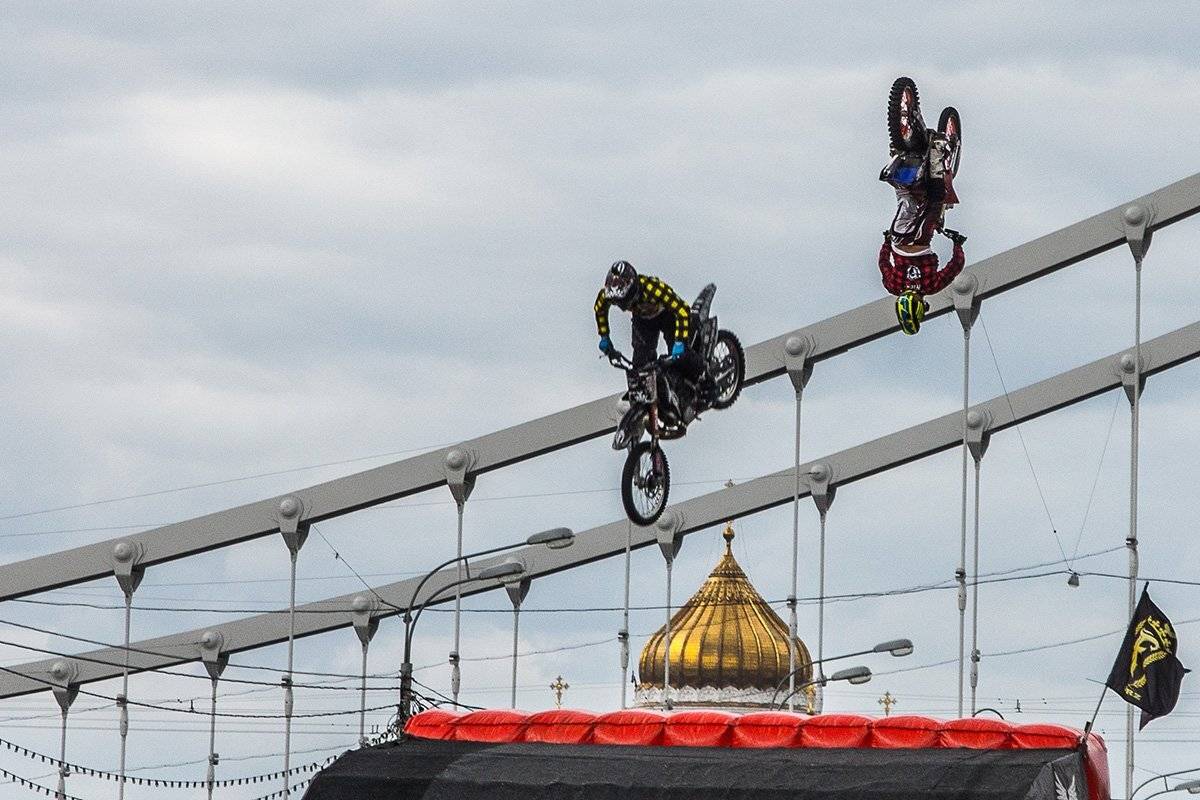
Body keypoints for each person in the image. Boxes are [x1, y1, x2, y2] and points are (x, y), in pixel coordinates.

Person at [594, 261, 705, 418]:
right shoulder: (608, 294)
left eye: (624, 300)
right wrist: (604, 336)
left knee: (680, 356)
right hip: (643, 320)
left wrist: (680, 341)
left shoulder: (652, 288)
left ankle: (706, 379)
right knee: (640, 366)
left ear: (633, 288)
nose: (622, 305)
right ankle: (654, 399)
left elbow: (682, 310)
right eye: (617, 302)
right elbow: (599, 309)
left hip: (667, 315)